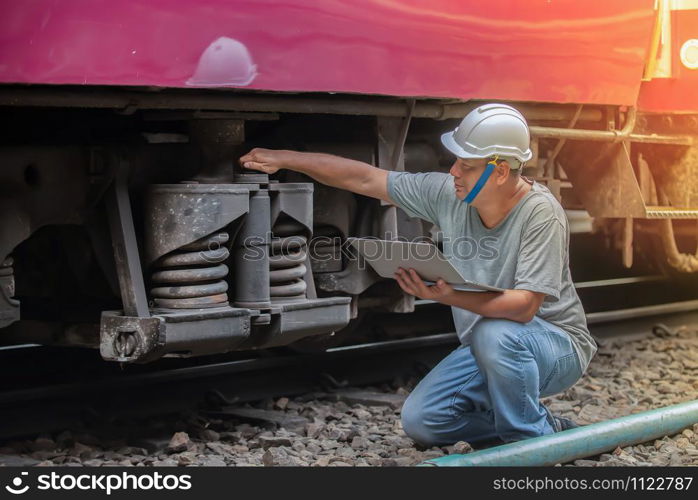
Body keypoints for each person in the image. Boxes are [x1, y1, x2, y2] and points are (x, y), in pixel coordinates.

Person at [239, 103, 596, 447]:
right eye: (456, 160)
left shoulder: (540, 213)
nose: (454, 171)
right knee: (424, 421)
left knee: (495, 333)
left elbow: (524, 308)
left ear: (500, 171)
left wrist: (445, 295)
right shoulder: (448, 195)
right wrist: (287, 158)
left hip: (556, 347)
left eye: (466, 164)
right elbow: (365, 178)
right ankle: (544, 425)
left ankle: (532, 444)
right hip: (489, 346)